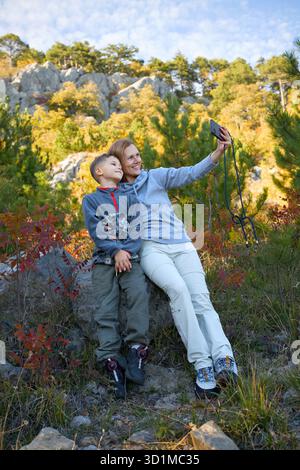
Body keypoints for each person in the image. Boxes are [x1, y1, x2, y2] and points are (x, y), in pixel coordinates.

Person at [108, 130, 238, 399]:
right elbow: (110, 227)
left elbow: (190, 172)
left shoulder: (155, 176)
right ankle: (203, 365)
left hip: (181, 245)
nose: (137, 160)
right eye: (130, 157)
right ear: (119, 163)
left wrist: (218, 152)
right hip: (151, 250)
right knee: (178, 290)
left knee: (201, 298)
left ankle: (224, 359)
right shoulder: (117, 194)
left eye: (138, 155)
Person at [82, 153, 150, 399]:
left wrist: (126, 252)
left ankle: (136, 350)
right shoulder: (91, 200)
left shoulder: (129, 196)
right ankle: (111, 360)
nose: (119, 167)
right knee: (105, 308)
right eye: (113, 164)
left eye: (119, 165)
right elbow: (96, 232)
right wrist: (115, 250)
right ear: (99, 172)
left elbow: (136, 230)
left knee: (138, 295)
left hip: (130, 259)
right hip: (104, 261)